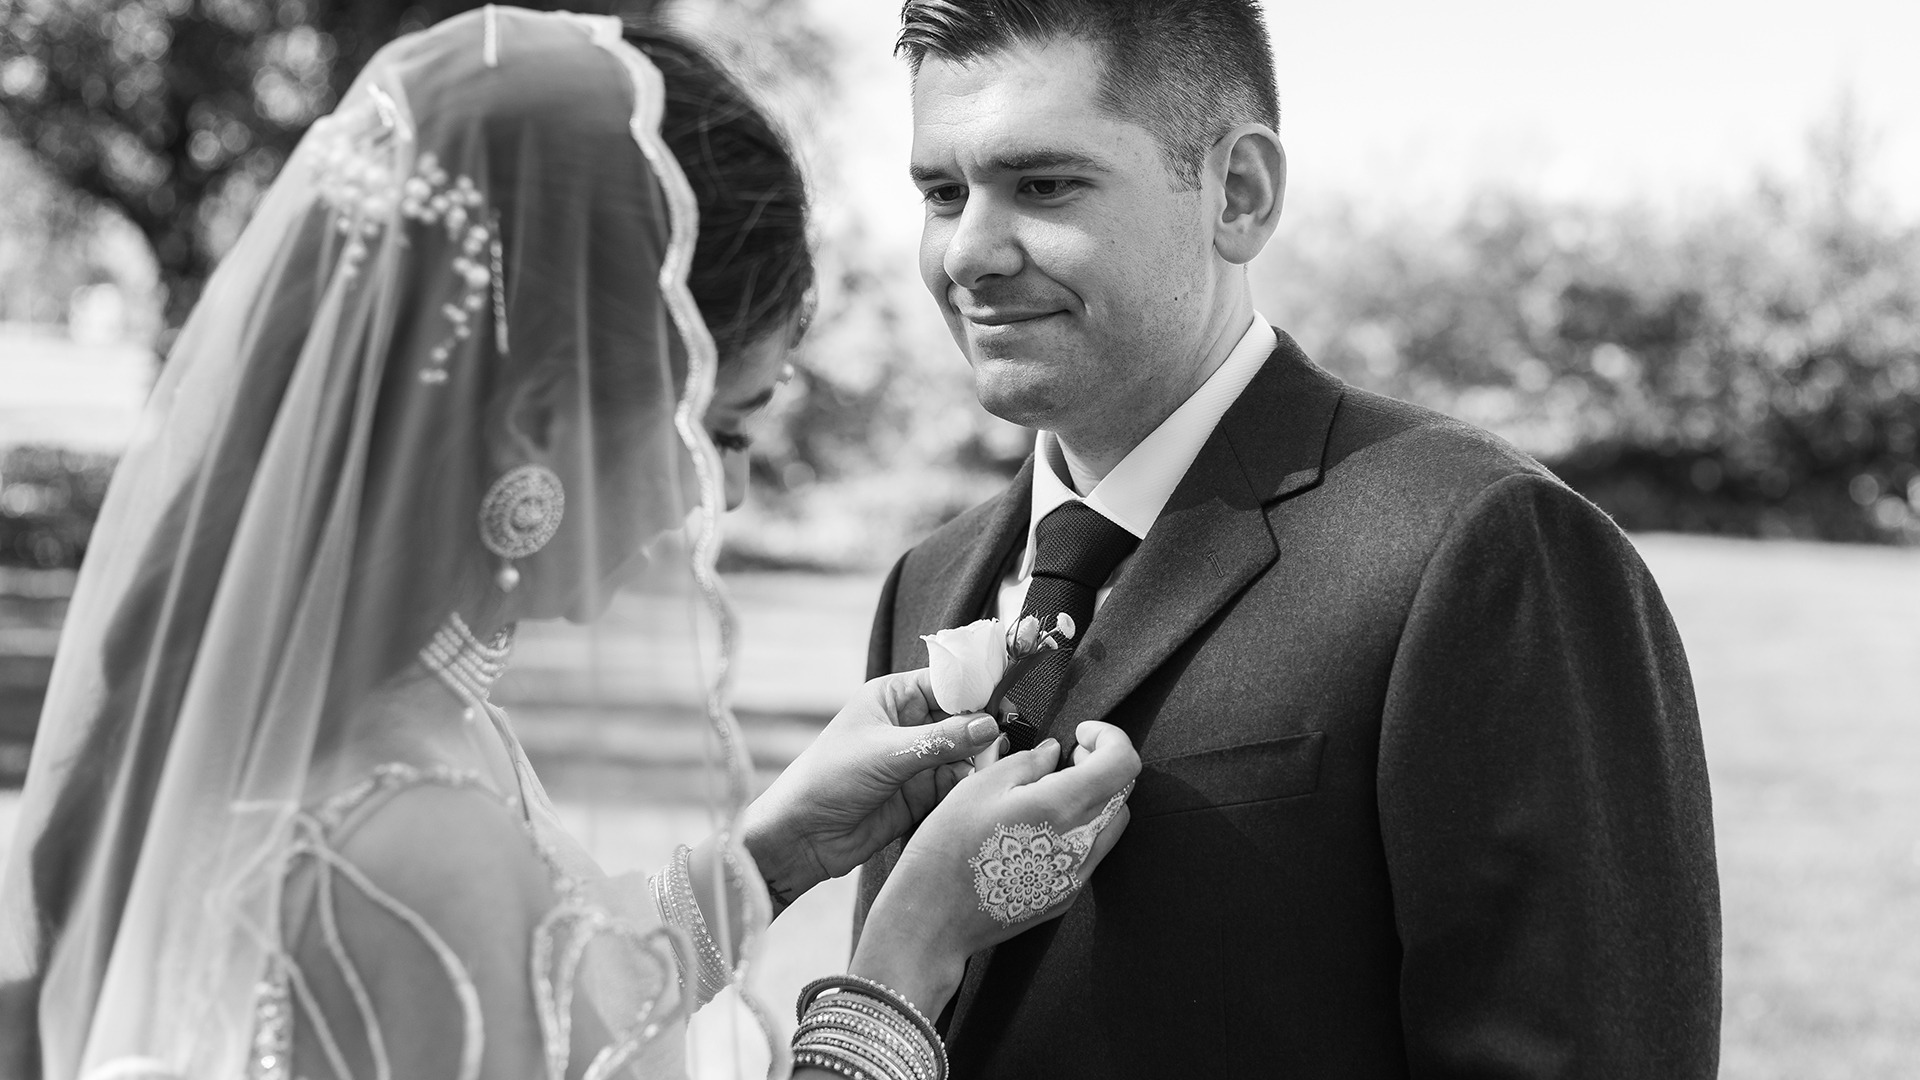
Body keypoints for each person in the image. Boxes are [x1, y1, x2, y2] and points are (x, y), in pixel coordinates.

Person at [0, 9, 1139, 1079]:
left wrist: (776, 852)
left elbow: (549, 1006)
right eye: (720, 430)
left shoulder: (362, 719)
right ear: (541, 420)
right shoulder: (408, 827)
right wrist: (906, 958)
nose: (727, 493)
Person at [853, 1, 1723, 1076]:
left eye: (1044, 184)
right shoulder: (926, 583)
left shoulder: (1480, 547)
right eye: (941, 193)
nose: (970, 252)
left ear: (1239, 193)